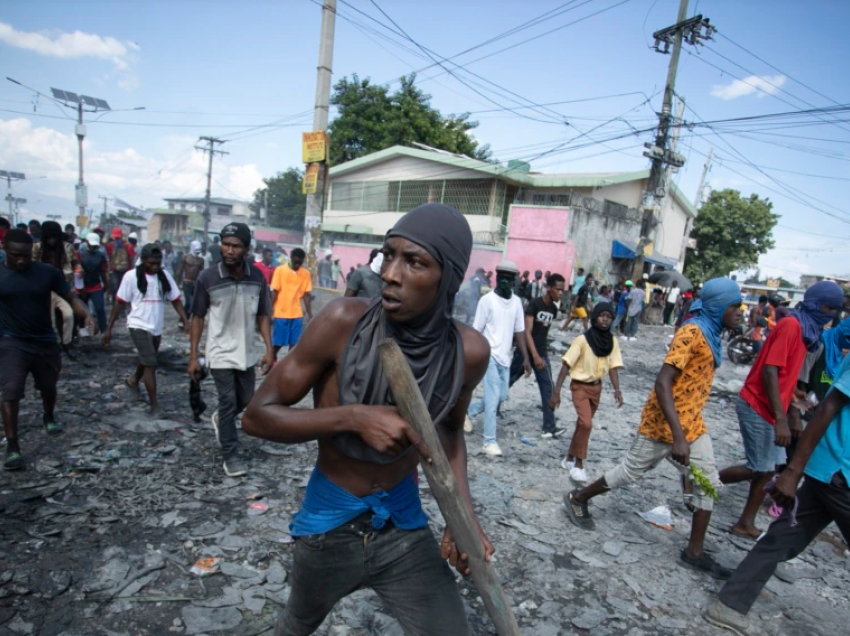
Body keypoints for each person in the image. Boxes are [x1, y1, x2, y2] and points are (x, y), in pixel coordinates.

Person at [242, 203, 494, 636]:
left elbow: (450, 432)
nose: (391, 274)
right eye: (388, 255)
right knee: (296, 625)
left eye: (414, 262)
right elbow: (256, 417)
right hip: (328, 525)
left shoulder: (468, 352)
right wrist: (352, 417)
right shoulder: (343, 322)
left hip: (402, 522)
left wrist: (461, 518)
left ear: (449, 277)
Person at [564, 278, 743, 578]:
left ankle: (694, 553)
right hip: (664, 423)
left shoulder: (711, 334)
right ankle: (578, 498)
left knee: (708, 481)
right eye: (735, 306)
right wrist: (678, 437)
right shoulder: (691, 332)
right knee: (631, 470)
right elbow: (663, 382)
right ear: (718, 306)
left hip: (692, 424)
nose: (740, 312)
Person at [703, 336, 850, 634]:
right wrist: (792, 471)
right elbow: (826, 407)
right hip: (840, 471)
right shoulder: (791, 330)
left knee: (783, 537)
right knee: (763, 483)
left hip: (830, 470)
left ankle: (730, 604)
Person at [719, 281, 843, 538]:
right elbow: (769, 370)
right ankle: (703, 480)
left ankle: (746, 521)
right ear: (814, 304)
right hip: (757, 403)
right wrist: (781, 419)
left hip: (772, 407)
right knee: (759, 468)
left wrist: (794, 405)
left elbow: (786, 375)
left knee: (769, 468)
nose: (831, 315)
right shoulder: (791, 326)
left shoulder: (808, 333)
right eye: (828, 308)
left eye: (835, 310)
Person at [1, 230, 96, 470]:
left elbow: (70, 296)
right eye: (15, 256)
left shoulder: (46, 272)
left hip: (44, 340)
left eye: (24, 256)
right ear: (5, 250)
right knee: (10, 391)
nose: (20, 261)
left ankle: (48, 414)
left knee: (48, 385)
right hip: (12, 341)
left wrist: (86, 315)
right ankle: (13, 446)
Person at [188, 223, 274, 477]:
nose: (229, 250)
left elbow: (263, 315)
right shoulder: (208, 278)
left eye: (236, 246)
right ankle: (231, 455)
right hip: (219, 351)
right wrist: (194, 356)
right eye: (226, 244)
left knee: (245, 400)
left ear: (247, 249)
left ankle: (221, 420)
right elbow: (197, 317)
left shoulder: (257, 277)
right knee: (228, 401)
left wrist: (270, 350)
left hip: (246, 351)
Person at [102, 244, 187, 415]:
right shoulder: (131, 276)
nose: (154, 267)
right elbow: (119, 302)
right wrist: (108, 329)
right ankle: (154, 405)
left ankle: (133, 380)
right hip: (137, 324)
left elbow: (175, 299)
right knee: (150, 363)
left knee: (148, 358)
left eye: (157, 263)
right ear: (143, 261)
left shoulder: (164, 276)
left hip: (155, 326)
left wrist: (185, 320)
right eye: (150, 263)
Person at [551, 303, 624, 483]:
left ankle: (568, 457)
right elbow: (566, 366)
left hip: (596, 388)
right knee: (587, 423)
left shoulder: (612, 342)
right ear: (594, 318)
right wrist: (556, 392)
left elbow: (613, 367)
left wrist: (617, 390)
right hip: (580, 386)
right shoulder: (582, 340)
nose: (605, 320)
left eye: (609, 316)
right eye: (602, 316)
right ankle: (579, 464)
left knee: (582, 425)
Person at [465, 260, 531, 456]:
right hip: (489, 355)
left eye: (509, 278)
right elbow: (476, 331)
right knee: (493, 399)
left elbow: (519, 331)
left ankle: (469, 410)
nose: (504, 281)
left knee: (502, 396)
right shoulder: (487, 301)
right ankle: (489, 442)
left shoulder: (517, 302)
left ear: (514, 281)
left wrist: (525, 358)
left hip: (505, 357)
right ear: (496, 278)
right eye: (501, 277)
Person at [509, 273, 566, 439]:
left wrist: (540, 355)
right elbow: (527, 332)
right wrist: (533, 356)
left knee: (548, 388)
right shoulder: (534, 305)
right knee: (507, 382)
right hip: (525, 354)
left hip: (541, 354)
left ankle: (549, 427)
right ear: (548, 288)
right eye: (557, 289)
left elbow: (542, 333)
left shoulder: (553, 309)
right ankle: (481, 410)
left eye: (562, 290)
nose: (560, 293)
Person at [32, 222, 79, 352]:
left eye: (54, 237)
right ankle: (51, 344)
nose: (52, 240)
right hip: (43, 289)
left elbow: (76, 264)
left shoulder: (67, 248)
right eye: (49, 237)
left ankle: (66, 342)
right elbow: (31, 265)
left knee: (68, 315)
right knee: (49, 319)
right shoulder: (37, 248)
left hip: (62, 288)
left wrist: (79, 273)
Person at [270, 247, 312, 358]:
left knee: (294, 345)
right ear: (291, 258)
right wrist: (269, 310)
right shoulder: (280, 270)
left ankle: (287, 367)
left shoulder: (305, 274)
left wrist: (310, 314)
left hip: (297, 314)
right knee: (278, 343)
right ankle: (271, 359)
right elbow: (275, 292)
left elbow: (306, 296)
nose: (297, 265)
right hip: (281, 313)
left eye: (300, 263)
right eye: (295, 262)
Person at [78, 232, 109, 334]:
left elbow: (103, 271)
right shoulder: (79, 254)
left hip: (95, 285)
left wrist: (107, 285)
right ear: (87, 243)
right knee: (82, 309)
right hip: (82, 286)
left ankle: (103, 331)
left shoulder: (101, 256)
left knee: (100, 308)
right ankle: (82, 331)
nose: (93, 247)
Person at [176, 241, 206, 323]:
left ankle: (185, 320)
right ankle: (182, 320)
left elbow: (202, 273)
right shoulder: (185, 257)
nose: (198, 252)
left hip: (195, 283)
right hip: (187, 282)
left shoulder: (201, 260)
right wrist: (177, 284)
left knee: (194, 304)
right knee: (189, 302)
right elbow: (179, 271)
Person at [106, 228, 133, 302]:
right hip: (114, 271)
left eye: (118, 237)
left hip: (126, 271)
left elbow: (131, 259)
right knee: (115, 288)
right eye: (116, 237)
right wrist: (108, 271)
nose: (117, 238)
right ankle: (115, 304)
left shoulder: (128, 246)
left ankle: (124, 305)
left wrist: (132, 271)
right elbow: (108, 259)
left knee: (125, 289)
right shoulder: (110, 246)